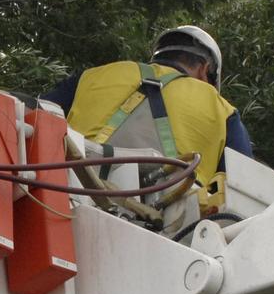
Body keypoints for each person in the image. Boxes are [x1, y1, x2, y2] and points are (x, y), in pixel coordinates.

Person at [42, 26, 252, 185]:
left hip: (65, 192)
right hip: (169, 228)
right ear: (205, 70)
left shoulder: (93, 77)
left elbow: (36, 117)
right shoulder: (223, 111)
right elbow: (244, 189)